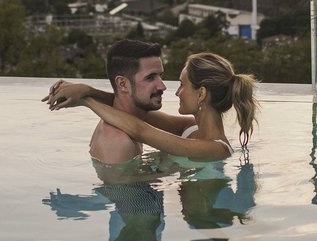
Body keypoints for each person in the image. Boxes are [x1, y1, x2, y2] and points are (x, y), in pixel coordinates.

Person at [45, 52, 259, 161]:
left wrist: (86, 101)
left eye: (182, 85)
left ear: (201, 94)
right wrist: (86, 90)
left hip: (205, 223)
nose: (176, 92)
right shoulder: (190, 128)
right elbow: (135, 113)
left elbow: (140, 130)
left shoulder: (215, 148)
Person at [44, 38, 167, 164]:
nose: (162, 86)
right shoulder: (119, 143)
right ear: (123, 84)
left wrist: (88, 92)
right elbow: (118, 184)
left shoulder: (132, 121)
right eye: (150, 78)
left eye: (160, 76)